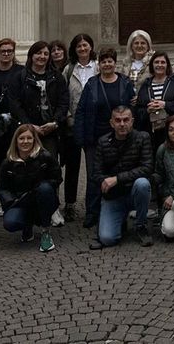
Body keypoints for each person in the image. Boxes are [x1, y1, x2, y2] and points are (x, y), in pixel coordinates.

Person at [75, 48, 135, 228]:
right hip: (94, 138)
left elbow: (132, 105)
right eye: (103, 61)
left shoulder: (124, 82)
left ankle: (118, 211)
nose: (107, 64)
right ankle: (92, 212)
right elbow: (81, 110)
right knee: (94, 176)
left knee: (117, 173)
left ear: (115, 63)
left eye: (110, 61)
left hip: (120, 136)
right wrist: (81, 138)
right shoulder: (92, 84)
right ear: (99, 64)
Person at [89, 106, 154, 250]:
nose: (122, 124)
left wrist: (117, 178)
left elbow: (147, 168)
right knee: (107, 239)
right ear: (112, 123)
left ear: (132, 121)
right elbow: (96, 173)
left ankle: (141, 225)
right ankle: (120, 221)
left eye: (126, 120)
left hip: (134, 192)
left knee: (143, 184)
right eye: (118, 120)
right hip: (114, 196)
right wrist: (105, 181)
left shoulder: (143, 137)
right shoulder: (103, 142)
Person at [0, 123, 61, 252]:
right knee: (10, 223)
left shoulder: (45, 157)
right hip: (20, 201)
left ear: (34, 140)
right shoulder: (7, 162)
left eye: (29, 138)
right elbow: (1, 188)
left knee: (45, 188)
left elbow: (57, 178)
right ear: (16, 141)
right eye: (21, 138)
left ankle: (45, 231)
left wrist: (43, 188)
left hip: (41, 198)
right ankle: (27, 225)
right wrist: (11, 202)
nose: (25, 141)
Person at [60, 33, 97, 222]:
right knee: (73, 167)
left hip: (94, 124)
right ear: (74, 50)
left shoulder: (98, 67)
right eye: (79, 46)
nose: (82, 49)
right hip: (73, 125)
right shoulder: (68, 69)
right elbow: (63, 95)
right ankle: (70, 204)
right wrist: (67, 117)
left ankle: (93, 205)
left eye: (85, 45)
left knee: (93, 167)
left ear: (91, 47)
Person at [15, 41, 68, 159]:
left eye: (46, 54)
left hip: (50, 130)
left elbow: (63, 101)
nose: (42, 57)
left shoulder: (57, 76)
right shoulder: (20, 77)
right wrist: (28, 124)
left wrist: (55, 122)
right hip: (27, 131)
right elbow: (15, 103)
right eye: (38, 53)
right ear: (31, 55)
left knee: (49, 164)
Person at [135, 51, 174, 148]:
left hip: (173, 132)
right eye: (156, 62)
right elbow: (138, 110)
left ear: (167, 65)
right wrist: (147, 110)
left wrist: (165, 105)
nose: (159, 65)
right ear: (152, 65)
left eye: (163, 62)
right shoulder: (146, 84)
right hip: (151, 133)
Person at [0, 38, 25, 171]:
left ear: (14, 53)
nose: (6, 54)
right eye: (3, 51)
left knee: (19, 159)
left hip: (18, 122)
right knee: (1, 161)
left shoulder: (22, 72)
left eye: (10, 51)